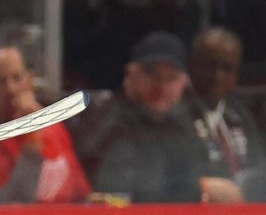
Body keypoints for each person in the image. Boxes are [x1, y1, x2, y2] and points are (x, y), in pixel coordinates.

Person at [74, 30, 242, 204]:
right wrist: (200, 189)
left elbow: (207, 172)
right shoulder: (106, 118)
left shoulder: (181, 126)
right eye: (151, 74)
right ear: (130, 74)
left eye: (171, 77)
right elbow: (120, 190)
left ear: (184, 82)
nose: (160, 86)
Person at [0, 45, 90, 204]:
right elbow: (5, 203)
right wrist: (32, 138)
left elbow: (81, 194)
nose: (11, 89)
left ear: (30, 79)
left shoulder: (53, 125)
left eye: (17, 78)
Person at [184, 26, 266, 179]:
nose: (217, 76)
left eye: (227, 68)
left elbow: (260, 170)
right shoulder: (177, 116)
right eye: (210, 66)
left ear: (236, 74)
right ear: (192, 66)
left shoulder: (241, 115)